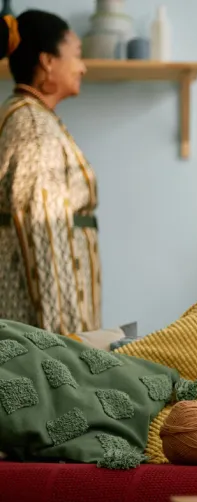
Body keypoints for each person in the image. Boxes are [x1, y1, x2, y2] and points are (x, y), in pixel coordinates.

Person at [0, 11, 101, 334]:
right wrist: (66, 348)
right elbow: (46, 237)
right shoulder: (33, 130)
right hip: (44, 336)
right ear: (47, 61)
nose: (83, 67)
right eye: (77, 55)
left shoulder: (34, 119)